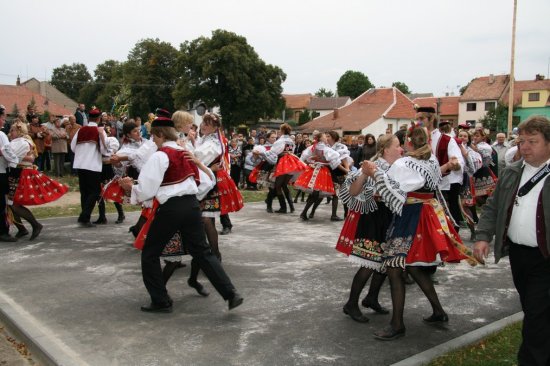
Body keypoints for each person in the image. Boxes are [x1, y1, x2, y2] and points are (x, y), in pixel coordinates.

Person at [363, 124, 478, 341]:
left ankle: (397, 324)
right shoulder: (431, 159)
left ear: (407, 143)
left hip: (410, 215)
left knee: (395, 268)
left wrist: (375, 172)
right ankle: (438, 312)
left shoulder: (403, 163)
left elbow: (391, 191)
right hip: (427, 213)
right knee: (415, 268)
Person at [119, 113, 243, 313]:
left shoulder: (160, 155)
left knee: (150, 253)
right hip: (192, 206)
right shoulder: (186, 153)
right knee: (202, 252)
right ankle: (230, 293)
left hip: (171, 209)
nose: (153, 140)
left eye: (153, 137)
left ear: (160, 134)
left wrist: (129, 188)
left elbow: (146, 190)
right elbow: (206, 181)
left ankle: (161, 300)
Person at [474, 115, 550, 366]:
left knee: (537, 315)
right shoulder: (512, 172)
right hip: (519, 255)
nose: (524, 147)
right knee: (532, 309)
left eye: (532, 141)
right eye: (522, 141)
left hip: (545, 258)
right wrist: (483, 236)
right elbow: (493, 207)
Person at [336, 134, 403, 322]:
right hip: (373, 216)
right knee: (368, 261)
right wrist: (365, 173)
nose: (401, 149)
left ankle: (372, 297)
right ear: (386, 149)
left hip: (389, 216)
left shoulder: (397, 166)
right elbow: (353, 191)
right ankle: (351, 303)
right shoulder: (374, 165)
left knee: (384, 261)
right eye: (398, 146)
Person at [2, 120, 68, 240]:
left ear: (20, 131)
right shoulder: (18, 141)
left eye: (13, 130)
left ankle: (35, 225)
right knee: (10, 204)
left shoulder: (22, 142)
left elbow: (12, 156)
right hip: (16, 173)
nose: (10, 132)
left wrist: (5, 153)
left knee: (14, 204)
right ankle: (22, 229)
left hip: (21, 173)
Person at [70, 107, 108, 227]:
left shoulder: (80, 130)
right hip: (92, 165)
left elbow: (72, 147)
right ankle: (84, 216)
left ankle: (85, 217)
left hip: (80, 164)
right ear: (98, 119)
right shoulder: (99, 131)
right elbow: (103, 149)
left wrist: (81, 154)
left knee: (84, 192)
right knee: (95, 191)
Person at [295, 132, 340, 220]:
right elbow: (335, 158)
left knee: (315, 194)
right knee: (317, 194)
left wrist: (310, 163)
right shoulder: (325, 148)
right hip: (322, 171)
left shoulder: (312, 147)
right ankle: (305, 213)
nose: (326, 137)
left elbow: (303, 158)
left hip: (314, 170)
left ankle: (306, 213)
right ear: (320, 139)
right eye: (324, 136)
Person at [262, 123, 306, 214]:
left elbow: (274, 152)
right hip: (291, 163)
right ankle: (289, 206)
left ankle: (281, 207)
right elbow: (291, 151)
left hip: (282, 163)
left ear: (282, 131)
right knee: (283, 185)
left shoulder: (280, 141)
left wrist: (262, 152)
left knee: (276, 186)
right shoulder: (290, 141)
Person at [0, 106, 17, 242]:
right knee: (1, 204)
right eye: (3, 117)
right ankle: (3, 232)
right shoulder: (1, 135)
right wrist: (15, 160)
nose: (4, 120)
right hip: (1, 172)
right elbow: (8, 153)